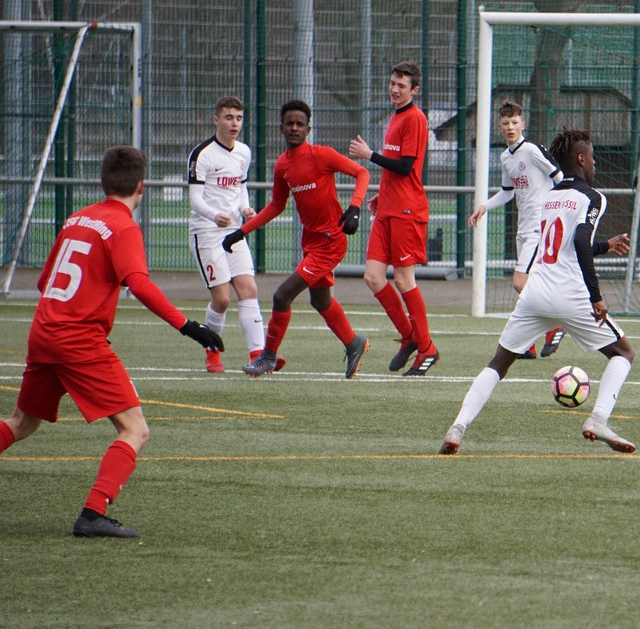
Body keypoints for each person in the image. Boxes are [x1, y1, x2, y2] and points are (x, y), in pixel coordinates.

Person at [0, 146, 223, 538]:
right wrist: (188, 326)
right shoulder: (124, 227)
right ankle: (92, 514)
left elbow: (44, 281)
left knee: (21, 423)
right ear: (142, 187)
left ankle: (93, 515)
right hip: (79, 341)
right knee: (136, 429)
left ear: (102, 183)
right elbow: (138, 284)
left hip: (44, 332)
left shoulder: (77, 218)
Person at [439, 128, 635, 455]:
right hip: (571, 295)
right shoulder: (593, 197)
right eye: (592, 157)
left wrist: (604, 245)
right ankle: (598, 419)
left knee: (499, 362)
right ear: (581, 159)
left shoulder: (550, 197)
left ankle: (458, 427)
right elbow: (578, 242)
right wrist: (596, 296)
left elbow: (567, 245)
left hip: (535, 293)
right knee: (624, 354)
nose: (595, 163)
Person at [223, 100, 371, 379]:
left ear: (308, 130)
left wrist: (355, 207)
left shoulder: (322, 155)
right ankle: (354, 343)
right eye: (289, 123)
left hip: (331, 242)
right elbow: (276, 206)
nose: (294, 128)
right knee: (321, 301)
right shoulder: (282, 165)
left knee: (282, 296)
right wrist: (242, 231)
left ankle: (267, 356)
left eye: (299, 124)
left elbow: (362, 173)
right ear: (281, 127)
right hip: (311, 242)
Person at [348, 60, 438, 376]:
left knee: (403, 279)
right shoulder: (396, 115)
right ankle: (409, 336)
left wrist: (369, 155)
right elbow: (396, 169)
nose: (395, 89)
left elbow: (406, 167)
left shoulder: (415, 118)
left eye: (401, 85)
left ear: (414, 90)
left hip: (407, 211)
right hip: (388, 207)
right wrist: (381, 193)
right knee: (373, 277)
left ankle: (427, 349)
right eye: (392, 83)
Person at [468, 100, 566, 359]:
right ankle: (527, 345)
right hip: (523, 230)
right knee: (530, 286)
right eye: (506, 123)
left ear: (523, 124)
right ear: (499, 127)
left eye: (514, 122)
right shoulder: (506, 157)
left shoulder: (532, 150)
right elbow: (507, 192)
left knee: (520, 283)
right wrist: (484, 206)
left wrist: (561, 209)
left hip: (539, 227)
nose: (510, 127)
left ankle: (555, 324)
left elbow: (558, 177)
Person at [187, 95, 275, 373]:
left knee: (249, 289)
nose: (234, 123)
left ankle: (259, 355)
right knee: (223, 298)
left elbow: (240, 187)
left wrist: (245, 208)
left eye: (238, 118)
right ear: (216, 120)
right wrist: (214, 215)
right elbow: (195, 199)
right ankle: (212, 351)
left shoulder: (243, 152)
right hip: (206, 232)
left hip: (233, 233)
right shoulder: (202, 154)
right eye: (228, 117)